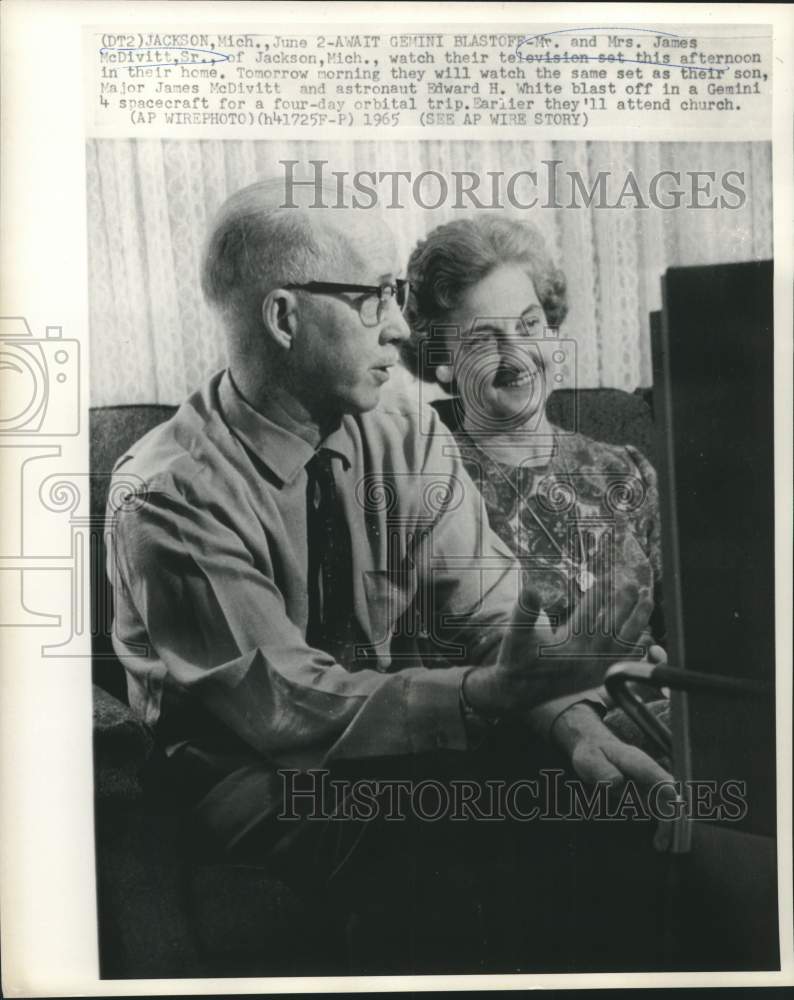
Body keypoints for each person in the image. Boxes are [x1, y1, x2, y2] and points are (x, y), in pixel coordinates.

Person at [107, 183, 671, 973]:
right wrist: (483, 698)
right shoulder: (166, 495)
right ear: (282, 318)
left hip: (388, 742)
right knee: (425, 844)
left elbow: (488, 607)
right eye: (375, 299)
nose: (402, 328)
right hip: (238, 772)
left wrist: (576, 730)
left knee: (594, 797)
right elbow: (285, 709)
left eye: (397, 297)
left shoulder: (398, 419)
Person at [404, 215, 667, 704]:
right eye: (484, 338)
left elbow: (694, 631)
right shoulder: (432, 480)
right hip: (528, 741)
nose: (518, 354)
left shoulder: (624, 469)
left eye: (529, 324)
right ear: (440, 359)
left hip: (652, 711)